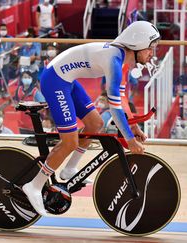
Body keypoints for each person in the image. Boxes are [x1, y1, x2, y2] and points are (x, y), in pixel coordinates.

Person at [22, 21, 159, 216]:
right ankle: (34, 186)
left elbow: (120, 99)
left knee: (96, 123)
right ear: (136, 46)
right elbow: (113, 107)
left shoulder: (123, 61)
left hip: (67, 79)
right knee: (69, 142)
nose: (152, 53)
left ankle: (69, 170)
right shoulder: (113, 61)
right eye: (150, 48)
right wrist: (129, 140)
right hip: (55, 80)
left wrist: (133, 126)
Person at [0, 23, 15, 98]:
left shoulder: (10, 38)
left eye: (4, 29)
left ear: (7, 30)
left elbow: (13, 47)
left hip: (6, 60)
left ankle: (5, 90)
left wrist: (10, 52)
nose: (3, 31)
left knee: (6, 76)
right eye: (2, 29)